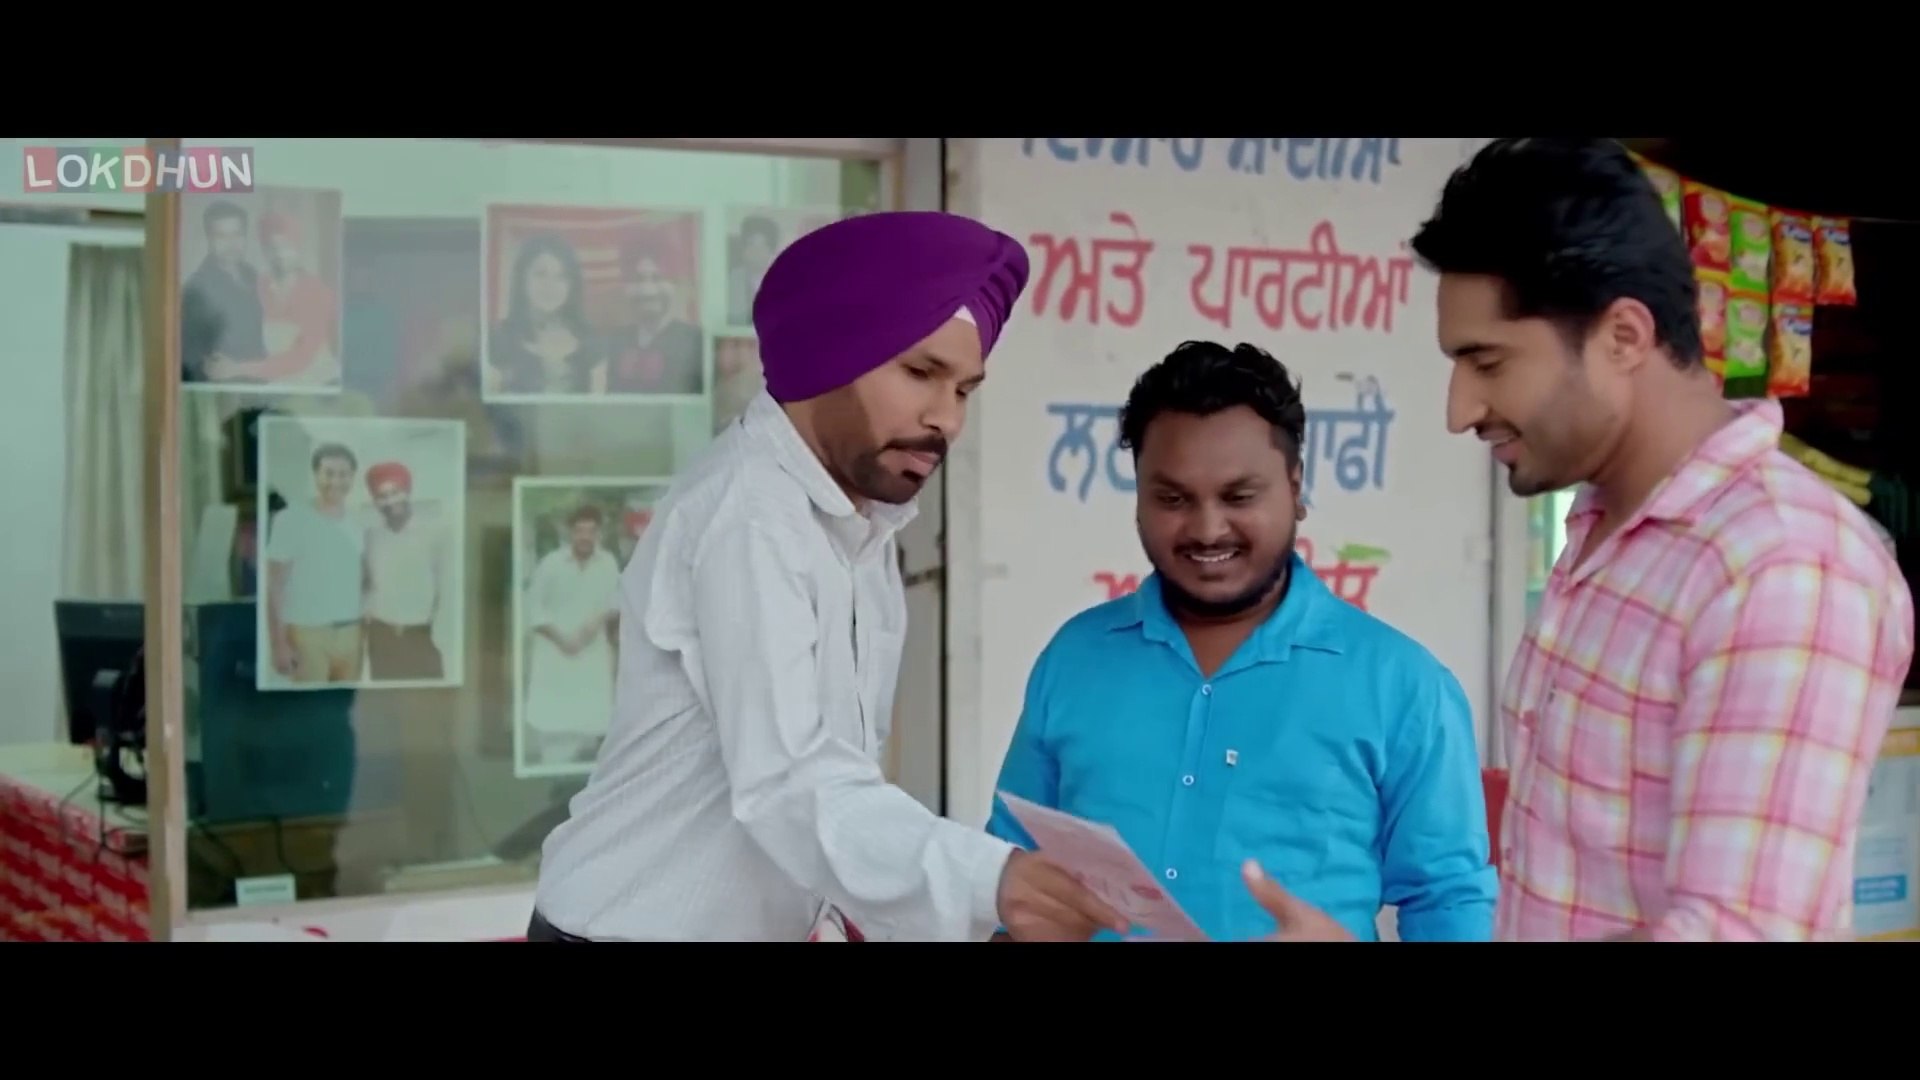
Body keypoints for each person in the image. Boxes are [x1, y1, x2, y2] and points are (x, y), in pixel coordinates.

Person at [530, 210, 1127, 942]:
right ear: (834, 353)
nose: (946, 419)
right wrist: (987, 881)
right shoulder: (749, 517)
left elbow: (842, 782)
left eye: (965, 390)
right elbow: (790, 780)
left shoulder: (861, 528)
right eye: (921, 373)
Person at [1411, 137, 1914, 941]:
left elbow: (1734, 932)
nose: (1459, 409)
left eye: (1488, 363)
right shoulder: (1606, 529)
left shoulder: (1781, 566)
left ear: (1623, 336)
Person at [987, 341, 1497, 943]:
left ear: (1296, 488)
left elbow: (1449, 902)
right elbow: (1011, 869)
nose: (1207, 529)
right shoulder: (1075, 657)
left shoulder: (1403, 685)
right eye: (1172, 499)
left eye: (1238, 497)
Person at [520, 503, 622, 768]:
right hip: (556, 657)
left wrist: (594, 624)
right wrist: (562, 639)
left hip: (591, 657)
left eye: (591, 531)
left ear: (598, 533)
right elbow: (533, 608)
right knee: (555, 734)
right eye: (580, 531)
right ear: (570, 533)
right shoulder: (551, 564)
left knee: (590, 729)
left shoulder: (608, 563)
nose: (585, 537)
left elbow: (615, 601)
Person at [265, 443, 367, 685]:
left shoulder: (359, 521)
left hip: (352, 634)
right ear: (316, 475)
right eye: (328, 473)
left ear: (352, 477)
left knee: (346, 705)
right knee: (312, 706)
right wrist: (278, 644)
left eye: (343, 474)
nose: (335, 481)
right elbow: (274, 586)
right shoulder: (290, 519)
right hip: (308, 635)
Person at [361, 461, 452, 681]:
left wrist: (440, 637)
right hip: (381, 637)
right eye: (381, 496)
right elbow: (366, 584)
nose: (389, 501)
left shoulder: (435, 534)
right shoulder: (371, 537)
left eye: (395, 492)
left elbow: (447, 587)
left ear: (407, 492)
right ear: (375, 502)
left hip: (421, 636)